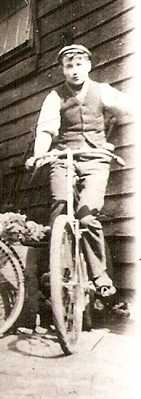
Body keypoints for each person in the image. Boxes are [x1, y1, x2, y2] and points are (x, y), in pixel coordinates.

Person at [25, 43, 133, 298]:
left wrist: (108, 141)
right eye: (69, 66)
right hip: (64, 157)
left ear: (88, 66)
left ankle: (99, 275)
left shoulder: (102, 92)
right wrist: (39, 155)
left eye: (79, 65)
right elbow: (46, 130)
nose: (74, 71)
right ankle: (58, 269)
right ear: (62, 69)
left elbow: (130, 108)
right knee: (59, 207)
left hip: (95, 159)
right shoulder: (55, 97)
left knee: (86, 217)